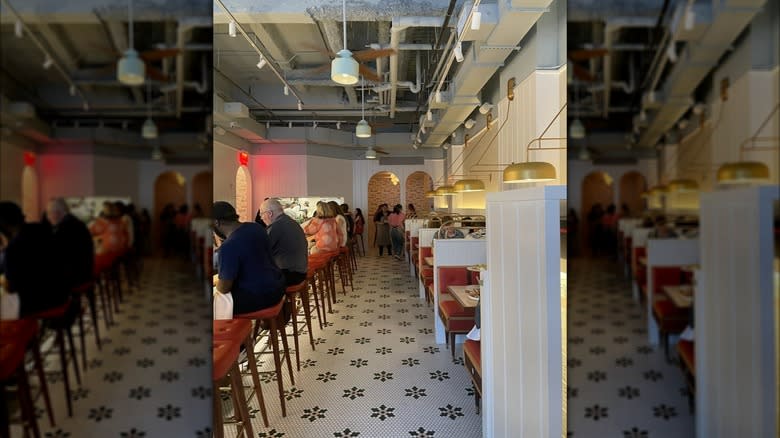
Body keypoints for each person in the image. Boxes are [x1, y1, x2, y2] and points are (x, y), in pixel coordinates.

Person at [213, 201, 285, 315]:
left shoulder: (228, 246)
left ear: (216, 222)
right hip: (278, 287)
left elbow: (224, 288)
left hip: (260, 297)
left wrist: (217, 282)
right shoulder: (256, 227)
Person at [0, 201, 69, 319]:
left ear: (5, 227)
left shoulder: (14, 248)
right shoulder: (43, 229)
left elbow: (12, 290)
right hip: (62, 295)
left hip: (41, 303)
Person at [46, 198, 95, 290]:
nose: (48, 217)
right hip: (84, 272)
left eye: (49, 213)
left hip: (76, 276)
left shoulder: (66, 227)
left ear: (59, 212)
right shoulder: (74, 222)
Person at [259, 198, 308, 286]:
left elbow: (261, 250)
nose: (261, 218)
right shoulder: (291, 222)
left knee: (249, 281)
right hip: (301, 271)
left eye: (262, 214)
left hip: (290, 274)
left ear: (270, 213)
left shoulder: (275, 227)